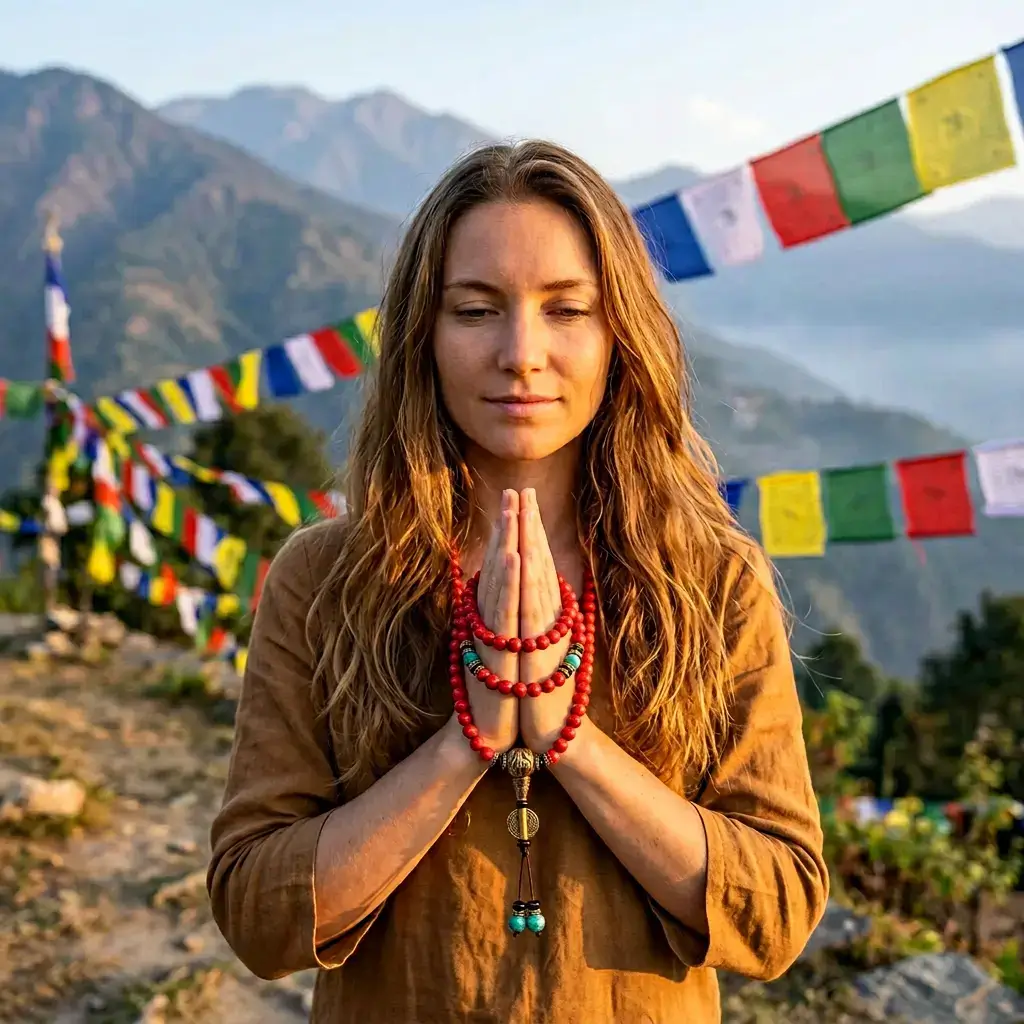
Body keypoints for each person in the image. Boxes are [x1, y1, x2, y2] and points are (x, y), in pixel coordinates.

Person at [207, 140, 828, 1023]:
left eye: (567, 309)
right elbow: (255, 912)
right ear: (423, 333)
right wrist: (469, 738)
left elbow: (778, 911)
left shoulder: (708, 580)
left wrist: (569, 737)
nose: (521, 353)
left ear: (622, 336)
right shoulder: (325, 579)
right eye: (475, 310)